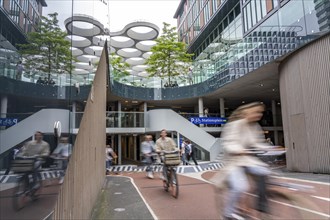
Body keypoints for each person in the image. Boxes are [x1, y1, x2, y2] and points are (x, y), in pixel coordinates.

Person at [213, 102, 276, 220]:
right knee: (240, 187)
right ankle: (227, 213)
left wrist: (272, 148)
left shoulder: (255, 126)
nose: (259, 114)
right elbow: (228, 143)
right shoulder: (234, 125)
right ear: (247, 112)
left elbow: (257, 144)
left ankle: (261, 205)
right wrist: (238, 150)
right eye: (256, 112)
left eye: (260, 112)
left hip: (248, 160)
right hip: (234, 162)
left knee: (264, 171)